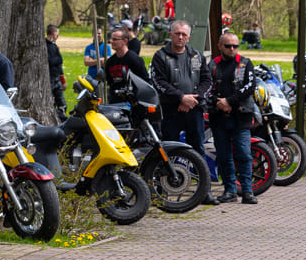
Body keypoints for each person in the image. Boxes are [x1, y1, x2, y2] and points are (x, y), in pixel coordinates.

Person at [149, 19, 217, 205]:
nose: (180, 37)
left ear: (188, 37)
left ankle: (205, 192)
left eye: (184, 34)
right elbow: (158, 82)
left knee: (198, 151)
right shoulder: (160, 56)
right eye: (177, 33)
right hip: (170, 111)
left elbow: (207, 80)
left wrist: (193, 99)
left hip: (194, 110)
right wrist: (180, 98)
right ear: (170, 34)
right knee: (166, 151)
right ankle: (161, 191)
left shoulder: (196, 56)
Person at [208, 32, 257, 204]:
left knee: (244, 154)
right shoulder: (213, 64)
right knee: (223, 155)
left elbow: (250, 86)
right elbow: (206, 87)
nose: (232, 49)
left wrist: (229, 101)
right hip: (218, 117)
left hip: (241, 116)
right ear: (220, 46)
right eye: (228, 45)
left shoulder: (245, 63)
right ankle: (229, 190)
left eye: (235, 46)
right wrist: (218, 103)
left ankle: (247, 191)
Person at [104, 26, 149, 103]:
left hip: (132, 104)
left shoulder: (135, 60)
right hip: (115, 103)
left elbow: (145, 82)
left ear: (125, 41)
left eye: (115, 39)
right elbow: (109, 82)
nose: (111, 41)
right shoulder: (110, 62)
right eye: (111, 39)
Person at [45, 24, 66, 120]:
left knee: (62, 103)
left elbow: (59, 62)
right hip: (49, 79)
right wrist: (57, 59)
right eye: (57, 33)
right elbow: (50, 61)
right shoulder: (45, 45)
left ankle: (63, 118)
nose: (58, 36)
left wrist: (63, 80)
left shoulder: (55, 46)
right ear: (53, 33)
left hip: (57, 78)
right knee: (51, 102)